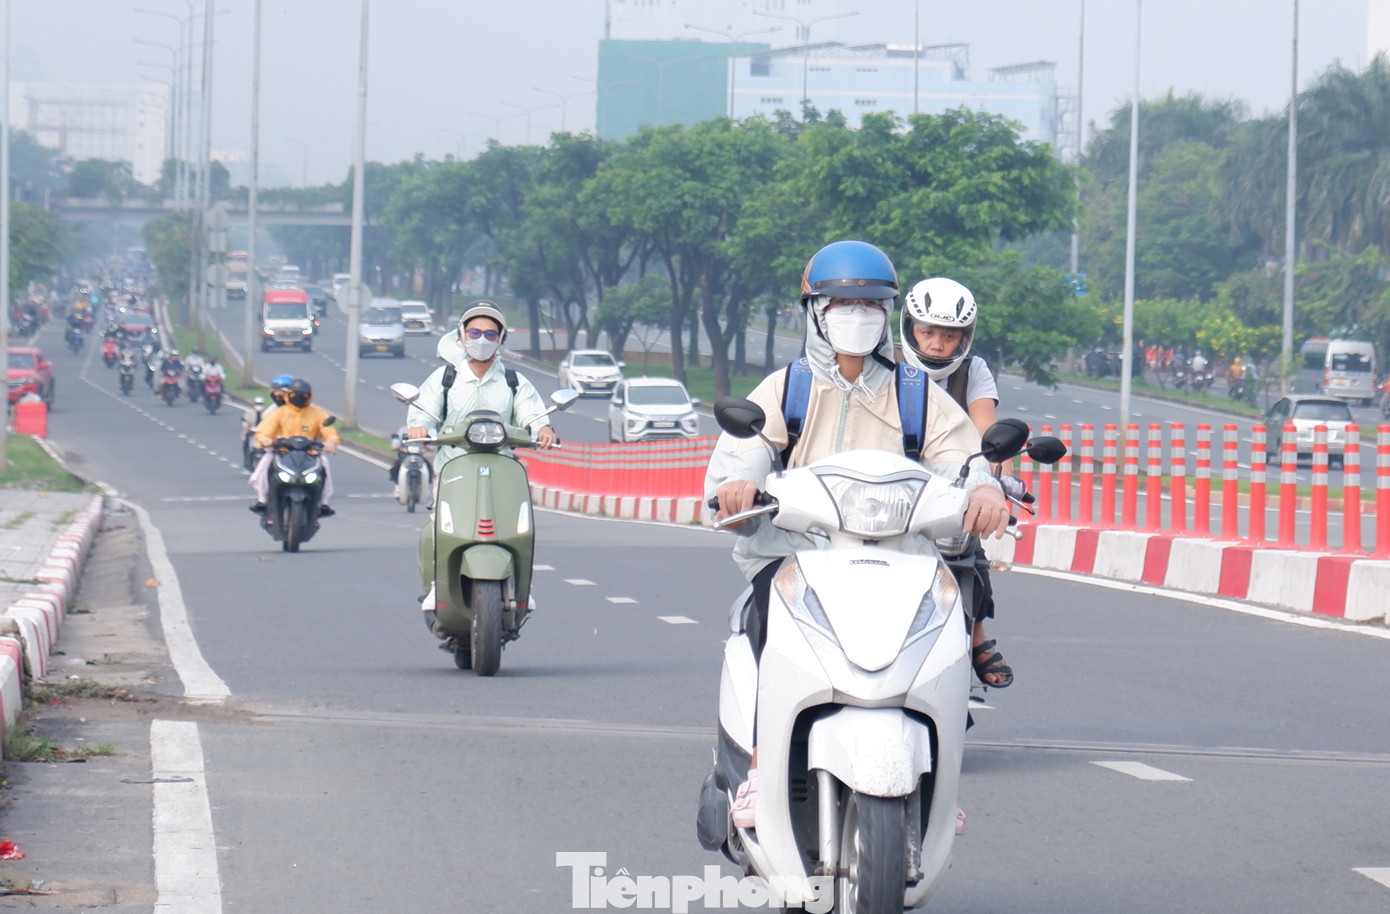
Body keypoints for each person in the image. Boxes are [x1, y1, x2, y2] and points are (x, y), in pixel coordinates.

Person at [705, 241, 1010, 829]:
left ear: (888, 314)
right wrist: (739, 488)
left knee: (941, 635)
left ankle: (940, 780)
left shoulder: (917, 394)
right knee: (766, 620)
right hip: (795, 554)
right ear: (815, 311)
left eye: (871, 304)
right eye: (842, 302)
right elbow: (744, 451)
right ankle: (761, 770)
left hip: (902, 555)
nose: (857, 314)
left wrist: (986, 490)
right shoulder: (785, 388)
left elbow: (965, 456)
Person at [404, 301, 559, 612]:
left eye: (491, 334)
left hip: (502, 466)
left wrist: (542, 429)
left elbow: (533, 413)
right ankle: (437, 586)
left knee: (519, 525)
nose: (482, 339)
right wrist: (420, 428)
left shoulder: (513, 382)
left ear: (501, 339)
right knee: (439, 526)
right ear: (461, 336)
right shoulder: (445, 379)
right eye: (475, 332)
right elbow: (422, 411)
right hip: (453, 469)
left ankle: (520, 586)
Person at [900, 276, 1013, 691]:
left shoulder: (973, 371)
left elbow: (984, 430)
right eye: (927, 331)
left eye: (948, 335)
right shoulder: (884, 363)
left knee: (973, 543)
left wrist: (992, 476)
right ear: (909, 326)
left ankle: (975, 633)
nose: (935, 344)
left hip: (953, 481)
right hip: (885, 484)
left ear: (964, 337)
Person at [249, 378, 339, 516]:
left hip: (309, 453)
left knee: (325, 464)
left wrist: (331, 442)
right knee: (265, 464)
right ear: (289, 394)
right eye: (295, 393)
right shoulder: (280, 412)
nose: (299, 397)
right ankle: (262, 499)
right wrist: (264, 439)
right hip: (282, 452)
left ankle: (324, 502)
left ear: (309, 396)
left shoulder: (317, 413)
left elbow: (329, 431)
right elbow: (265, 428)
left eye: (303, 394)